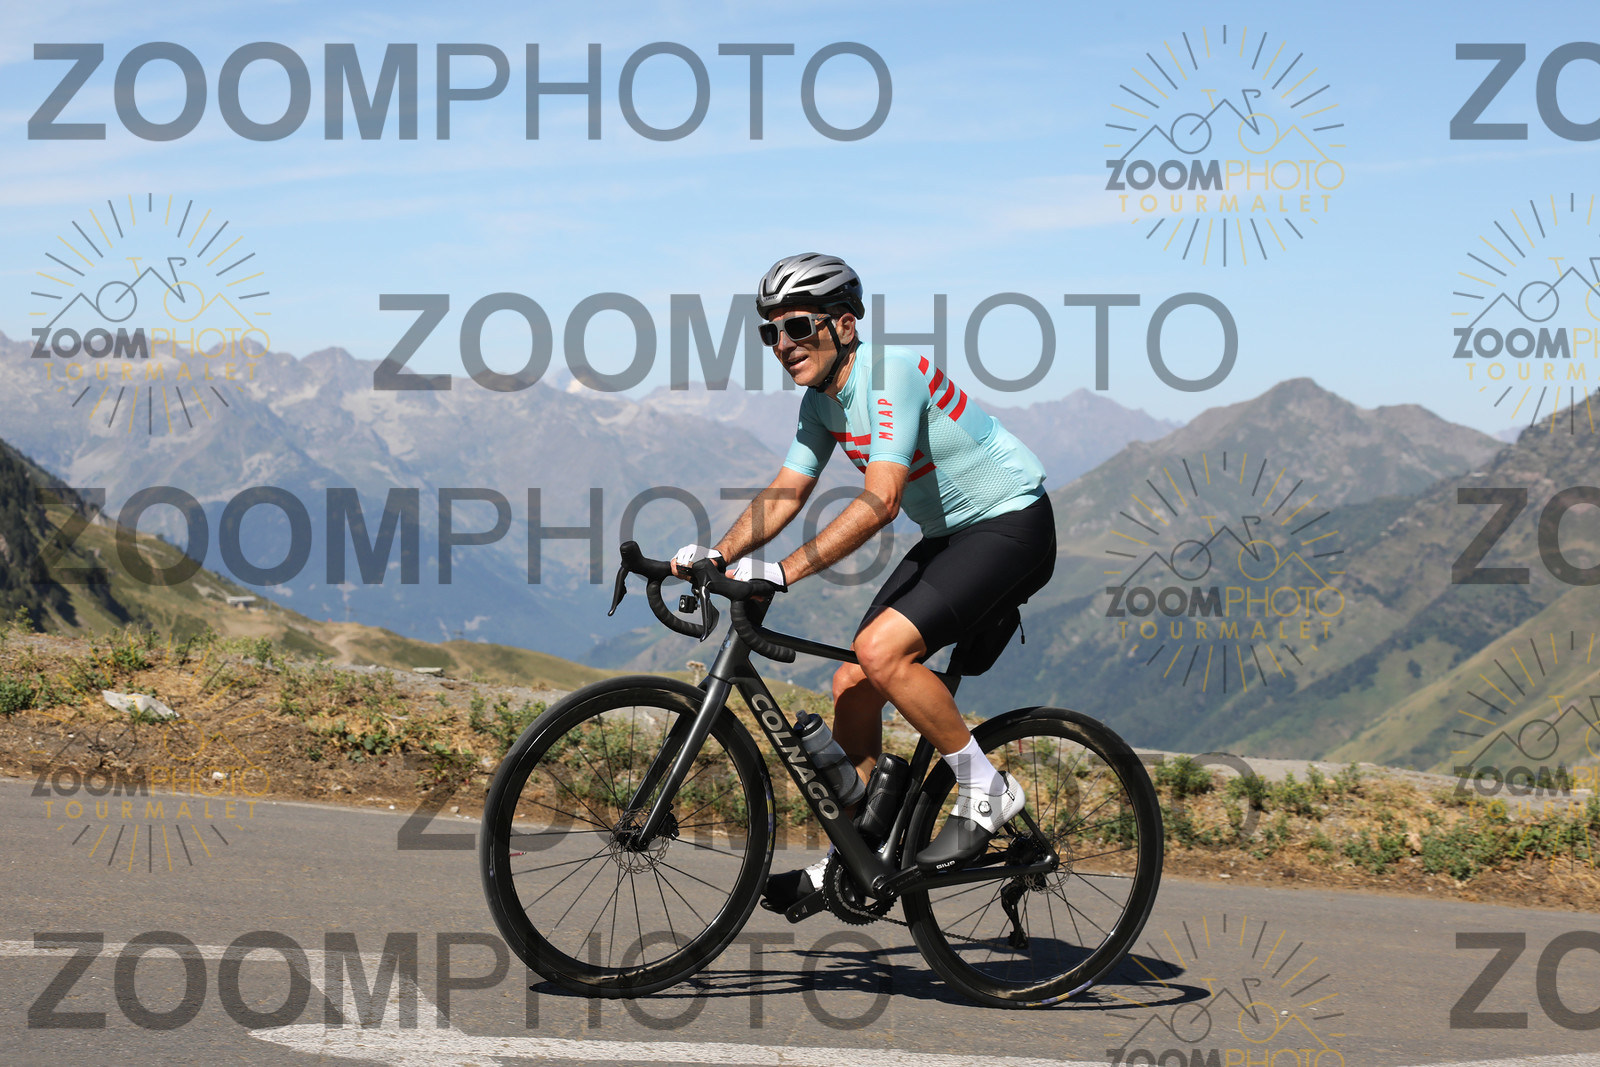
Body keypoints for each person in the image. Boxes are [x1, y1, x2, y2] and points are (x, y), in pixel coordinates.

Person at [670, 252, 1056, 914]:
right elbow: (789, 487)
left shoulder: (890, 373)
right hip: (950, 537)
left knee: (880, 651)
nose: (782, 344)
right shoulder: (820, 402)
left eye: (797, 326)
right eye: (770, 332)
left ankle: (986, 788)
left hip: (1011, 524)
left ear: (844, 325)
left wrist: (783, 571)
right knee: (852, 683)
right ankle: (857, 855)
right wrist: (721, 553)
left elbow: (881, 501)